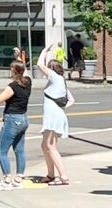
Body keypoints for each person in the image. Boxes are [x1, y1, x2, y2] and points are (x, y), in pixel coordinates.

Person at [0, 60, 32, 191]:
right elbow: (26, 71)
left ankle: (6, 180)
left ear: (14, 71)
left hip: (12, 120)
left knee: (2, 150)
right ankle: (19, 179)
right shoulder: (27, 82)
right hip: (23, 119)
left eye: (11, 68)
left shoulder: (12, 87)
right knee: (19, 150)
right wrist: (19, 58)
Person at [37, 43, 73, 185]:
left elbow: (39, 64)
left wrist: (45, 50)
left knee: (51, 147)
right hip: (56, 115)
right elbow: (71, 100)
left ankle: (63, 176)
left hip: (53, 117)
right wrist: (61, 108)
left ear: (51, 69)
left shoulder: (54, 78)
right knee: (45, 146)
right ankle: (50, 175)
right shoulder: (61, 82)